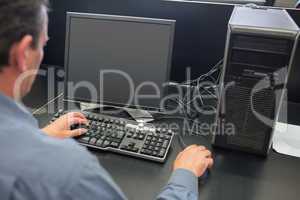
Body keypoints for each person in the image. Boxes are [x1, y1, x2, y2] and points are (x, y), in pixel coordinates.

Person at [0, 0, 214, 199]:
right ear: (23, 54)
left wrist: (39, 137)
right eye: (43, 45)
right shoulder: (71, 173)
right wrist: (185, 176)